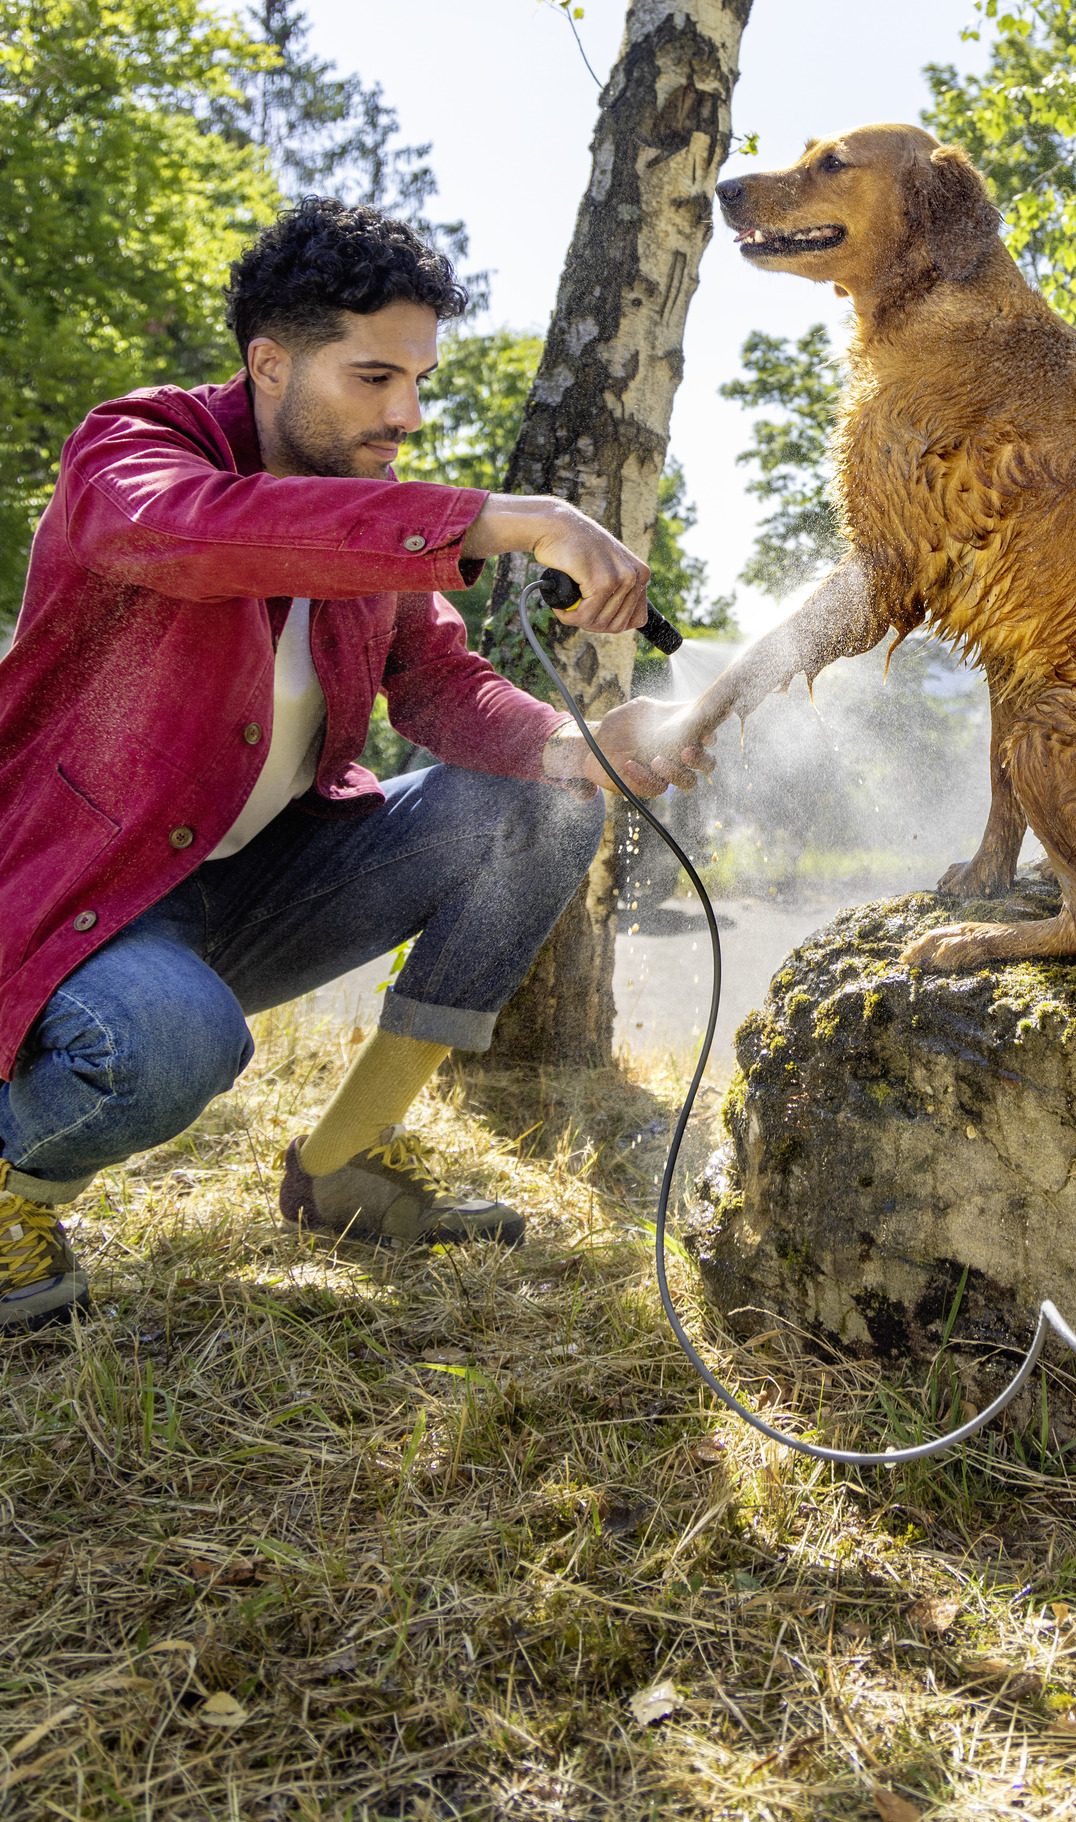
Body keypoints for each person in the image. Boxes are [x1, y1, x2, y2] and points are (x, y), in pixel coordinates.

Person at [0, 199, 681, 1331]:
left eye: (416, 380)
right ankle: (13, 1190)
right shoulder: (132, 450)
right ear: (270, 363)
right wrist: (511, 517)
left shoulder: (368, 515)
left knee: (544, 808)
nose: (406, 414)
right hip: (88, 899)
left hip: (262, 881)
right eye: (373, 378)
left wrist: (577, 747)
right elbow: (193, 533)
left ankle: (345, 1165)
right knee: (167, 1047)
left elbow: (435, 681)